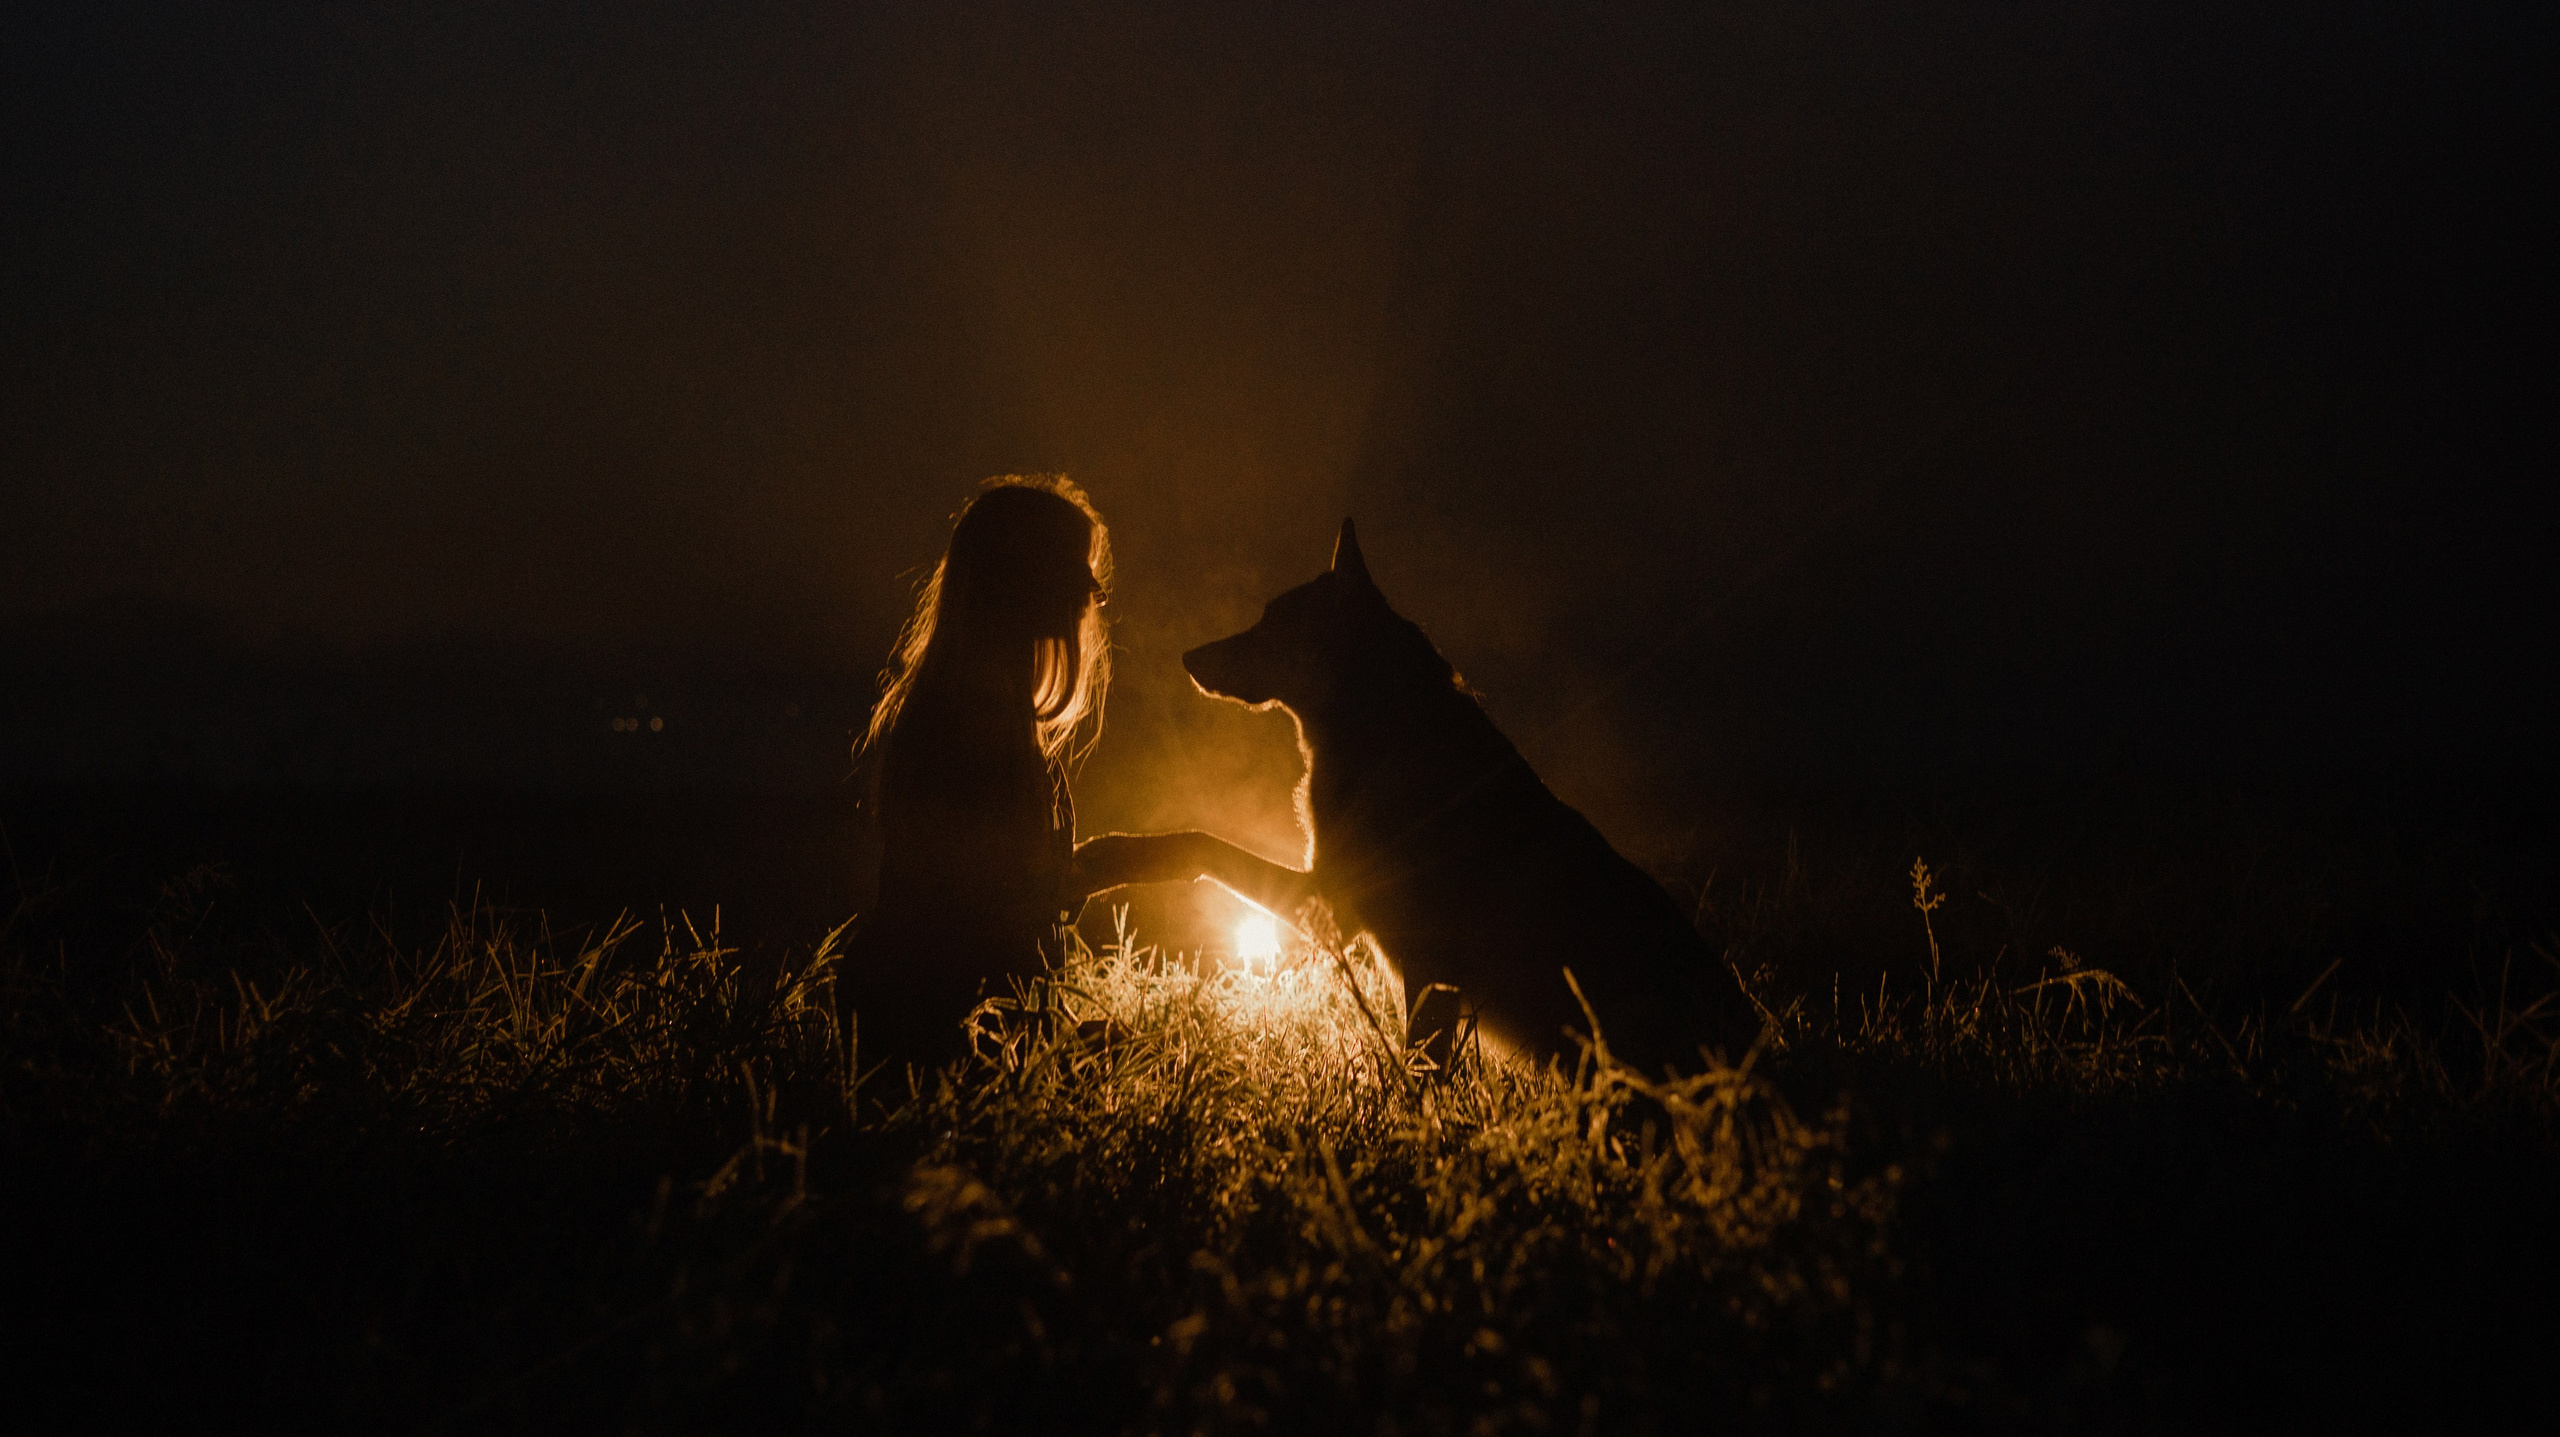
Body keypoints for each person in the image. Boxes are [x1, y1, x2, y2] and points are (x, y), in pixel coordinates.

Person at [839, 476, 1114, 1068]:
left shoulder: (979, 715)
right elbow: (977, 944)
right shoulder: (966, 732)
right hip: (931, 1047)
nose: (1094, 591)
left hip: (940, 1029)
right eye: (1075, 567)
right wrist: (1055, 1047)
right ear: (1020, 578)